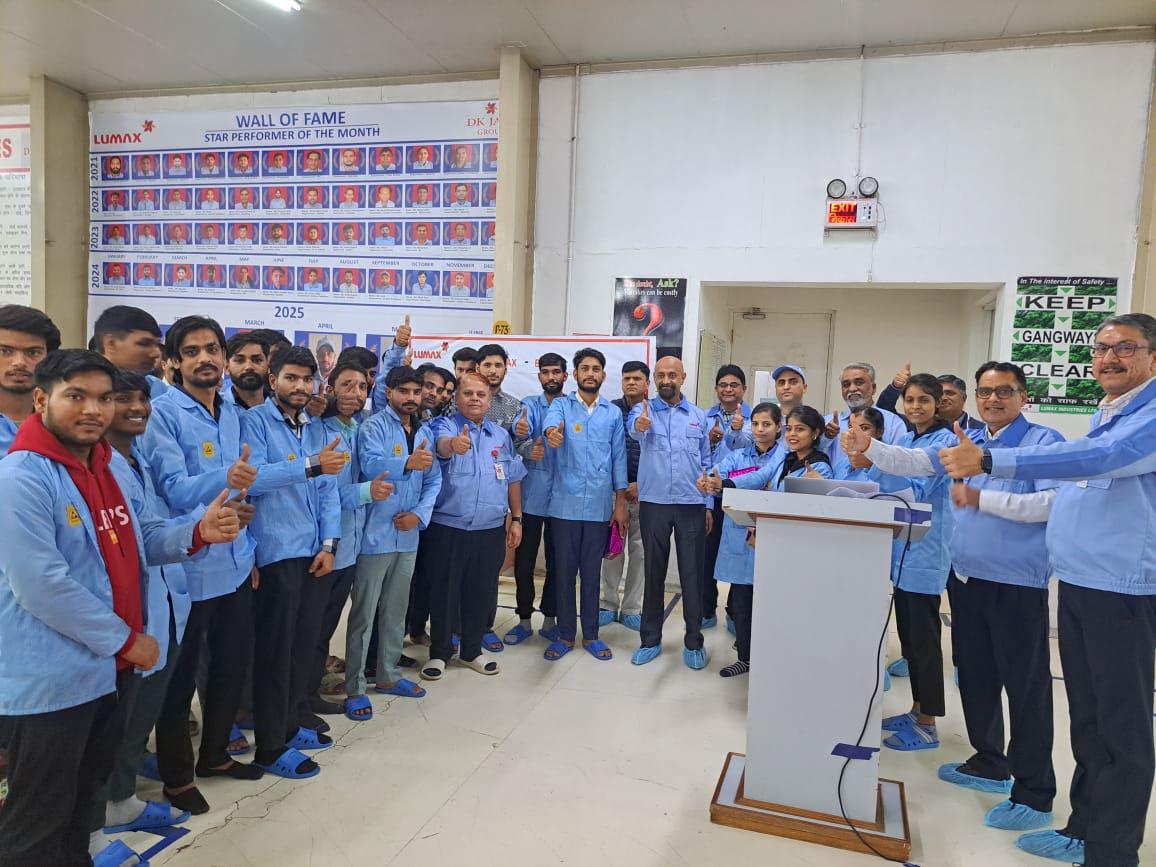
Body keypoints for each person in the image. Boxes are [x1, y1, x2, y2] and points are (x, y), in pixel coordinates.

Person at [0, 350, 238, 865]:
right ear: (41, 399)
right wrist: (128, 641)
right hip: (53, 681)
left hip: (108, 673)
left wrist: (196, 532)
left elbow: (144, 534)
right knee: (37, 821)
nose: (94, 410)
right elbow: (41, 586)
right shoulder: (22, 478)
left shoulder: (111, 467)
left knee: (83, 803)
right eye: (76, 396)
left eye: (104, 398)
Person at [938, 313, 1156, 867]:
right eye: (1100, 348)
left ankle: (1110, 852)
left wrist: (991, 461)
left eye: (1124, 348)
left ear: (1153, 357)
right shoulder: (1109, 414)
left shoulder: (1146, 419)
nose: (1108, 358)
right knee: (1089, 722)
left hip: (1122, 592)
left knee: (1120, 730)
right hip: (1082, 585)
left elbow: (1101, 461)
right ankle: (1084, 830)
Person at [846, 361, 1064, 834]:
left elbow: (1051, 503)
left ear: (1023, 396)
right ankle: (989, 761)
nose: (993, 400)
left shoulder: (1043, 442)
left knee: (1025, 689)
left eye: (1004, 391)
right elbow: (916, 462)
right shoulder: (971, 439)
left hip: (1017, 584)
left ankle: (1034, 792)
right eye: (985, 392)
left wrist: (985, 499)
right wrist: (871, 447)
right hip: (967, 580)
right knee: (977, 677)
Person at [141, 316, 265, 814]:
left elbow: (241, 488)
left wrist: (246, 539)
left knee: (230, 668)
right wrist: (227, 479)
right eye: (191, 351)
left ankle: (215, 754)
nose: (204, 358)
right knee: (179, 681)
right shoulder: (163, 414)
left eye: (212, 348)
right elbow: (174, 489)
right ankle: (176, 777)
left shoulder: (231, 410)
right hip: (188, 569)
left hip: (233, 562)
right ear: (173, 361)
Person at [91, 372, 205, 847]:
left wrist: (199, 532)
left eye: (142, 398)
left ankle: (121, 798)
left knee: (144, 712)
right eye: (122, 399)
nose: (137, 407)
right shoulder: (98, 468)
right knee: (122, 718)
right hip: (129, 615)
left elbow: (153, 529)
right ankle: (108, 806)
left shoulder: (136, 460)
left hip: (166, 599)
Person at [241, 345, 343, 780]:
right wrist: (310, 466)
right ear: (273, 380)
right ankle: (269, 747)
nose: (301, 386)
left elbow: (329, 491)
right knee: (274, 654)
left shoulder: (314, 427)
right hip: (275, 552)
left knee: (302, 649)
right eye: (291, 378)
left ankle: (287, 725)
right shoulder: (253, 422)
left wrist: (330, 544)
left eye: (307, 379)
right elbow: (253, 481)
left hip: (313, 553)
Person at [851, 374, 957, 751]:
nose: (915, 407)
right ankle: (916, 710)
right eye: (909, 400)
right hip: (904, 551)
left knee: (924, 643)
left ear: (938, 403)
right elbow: (887, 478)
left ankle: (928, 724)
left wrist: (873, 451)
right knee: (910, 640)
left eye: (923, 400)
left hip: (926, 553)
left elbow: (915, 482)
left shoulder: (945, 441)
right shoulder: (911, 438)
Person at [347, 366, 441, 715]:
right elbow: (370, 466)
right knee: (364, 615)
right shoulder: (372, 427)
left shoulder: (424, 431)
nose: (412, 398)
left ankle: (388, 675)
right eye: (405, 391)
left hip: (408, 535)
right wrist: (407, 462)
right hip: (375, 535)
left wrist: (419, 514)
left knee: (396, 611)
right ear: (389, 393)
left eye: (417, 392)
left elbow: (434, 479)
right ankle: (355, 686)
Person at [419, 372, 525, 681]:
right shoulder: (443, 425)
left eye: (481, 394)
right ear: (456, 397)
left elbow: (513, 477)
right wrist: (453, 445)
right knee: (444, 592)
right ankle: (439, 653)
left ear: (489, 400)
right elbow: (441, 446)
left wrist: (517, 518)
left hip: (489, 529)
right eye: (468, 393)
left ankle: (471, 651)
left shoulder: (500, 436)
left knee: (480, 591)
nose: (475, 399)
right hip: (447, 527)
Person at [309, 362, 389, 718]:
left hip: (351, 547)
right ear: (329, 388)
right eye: (347, 385)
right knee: (313, 628)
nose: (355, 393)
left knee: (327, 625)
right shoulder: (319, 430)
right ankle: (303, 695)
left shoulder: (358, 429)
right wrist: (367, 492)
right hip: (324, 546)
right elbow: (325, 494)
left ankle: (312, 686)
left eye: (361, 387)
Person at [540, 349, 628, 662]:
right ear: (575, 374)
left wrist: (620, 504)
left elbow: (619, 458)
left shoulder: (612, 413)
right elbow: (551, 425)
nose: (590, 373)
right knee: (564, 573)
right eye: (585, 368)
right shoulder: (561, 406)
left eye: (596, 368)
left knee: (591, 574)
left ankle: (591, 634)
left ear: (603, 374)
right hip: (564, 505)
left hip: (599, 507)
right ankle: (565, 635)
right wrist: (552, 434)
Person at [627, 355, 711, 668]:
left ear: (683, 377)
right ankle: (650, 640)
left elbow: (706, 461)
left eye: (672, 375)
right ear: (654, 379)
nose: (666, 380)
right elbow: (634, 430)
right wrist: (640, 425)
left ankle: (694, 642)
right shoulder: (642, 410)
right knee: (653, 573)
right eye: (661, 375)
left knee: (692, 575)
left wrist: (708, 505)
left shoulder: (698, 416)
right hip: (654, 503)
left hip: (691, 503)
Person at [696, 402, 786, 677]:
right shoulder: (738, 455)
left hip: (773, 537)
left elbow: (761, 478)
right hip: (740, 534)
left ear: (778, 427)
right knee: (741, 603)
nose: (760, 429)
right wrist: (708, 481)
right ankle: (745, 658)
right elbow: (717, 473)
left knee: (770, 602)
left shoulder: (784, 455)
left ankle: (772, 660)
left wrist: (727, 485)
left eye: (766, 424)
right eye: (755, 424)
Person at [504, 353, 566, 645]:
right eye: (546, 372)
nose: (551, 377)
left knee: (557, 562)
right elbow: (519, 437)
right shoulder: (528, 404)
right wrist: (527, 443)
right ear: (539, 376)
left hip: (563, 499)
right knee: (524, 562)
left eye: (556, 372)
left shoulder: (572, 406)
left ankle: (550, 620)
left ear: (565, 376)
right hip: (530, 497)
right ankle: (524, 620)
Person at [703, 364, 752, 631]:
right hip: (712, 495)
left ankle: (735, 612)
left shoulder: (756, 418)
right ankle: (706, 609)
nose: (728, 389)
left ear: (744, 389)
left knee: (739, 554)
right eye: (723, 385)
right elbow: (700, 457)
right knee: (706, 554)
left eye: (734, 385)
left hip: (742, 495)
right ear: (716, 389)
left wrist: (739, 431)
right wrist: (711, 441)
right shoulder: (704, 417)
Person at [601, 360, 649, 630]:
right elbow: (605, 452)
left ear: (647, 384)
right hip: (615, 493)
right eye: (627, 378)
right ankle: (608, 603)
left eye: (637, 378)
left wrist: (641, 484)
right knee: (612, 551)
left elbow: (661, 455)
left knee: (640, 553)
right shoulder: (610, 410)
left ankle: (632, 607)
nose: (631, 382)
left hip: (646, 494)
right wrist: (621, 487)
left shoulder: (656, 412)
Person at [823, 362, 908, 475]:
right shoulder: (827, 422)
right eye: (846, 384)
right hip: (832, 485)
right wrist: (826, 438)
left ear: (873, 388)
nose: (852, 388)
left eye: (859, 382)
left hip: (879, 485)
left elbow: (900, 463)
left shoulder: (893, 423)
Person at [0, 305, 61, 452]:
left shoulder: (64, 422)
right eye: (5, 351)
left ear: (49, 357)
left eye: (33, 352)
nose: (19, 362)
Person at [879, 364, 986, 432]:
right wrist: (895, 387)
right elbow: (883, 411)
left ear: (964, 398)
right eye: (909, 400)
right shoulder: (916, 420)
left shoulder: (979, 430)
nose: (943, 398)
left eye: (949, 393)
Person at [92, 305, 165, 391]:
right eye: (144, 344)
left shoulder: (160, 391)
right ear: (110, 343)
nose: (156, 353)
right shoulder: (83, 385)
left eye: (157, 344)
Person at [478, 343, 521, 432]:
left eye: (498, 365)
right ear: (477, 369)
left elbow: (519, 439)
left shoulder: (514, 405)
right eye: (487, 365)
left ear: (505, 370)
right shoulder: (459, 401)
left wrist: (524, 437)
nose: (493, 371)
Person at [224, 333, 271, 409]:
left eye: (257, 360)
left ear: (268, 366)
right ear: (226, 367)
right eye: (240, 360)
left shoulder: (283, 408)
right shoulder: (214, 408)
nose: (249, 367)